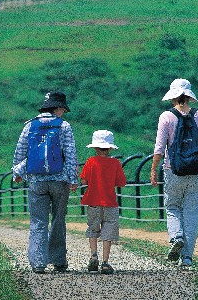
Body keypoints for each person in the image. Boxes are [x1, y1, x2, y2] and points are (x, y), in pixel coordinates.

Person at [150, 78, 198, 267]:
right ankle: (187, 258)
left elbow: (159, 148)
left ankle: (176, 237)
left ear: (173, 97)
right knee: (192, 214)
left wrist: (153, 169)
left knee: (172, 208)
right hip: (197, 170)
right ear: (188, 97)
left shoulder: (166, 117)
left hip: (173, 171)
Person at [12, 92, 79, 274]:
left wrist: (17, 173)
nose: (63, 113)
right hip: (59, 180)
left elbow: (20, 152)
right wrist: (73, 179)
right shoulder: (64, 126)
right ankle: (58, 261)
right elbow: (70, 155)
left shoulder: (29, 126)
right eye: (63, 109)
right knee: (58, 220)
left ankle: (39, 263)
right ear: (57, 108)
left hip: (36, 181)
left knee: (38, 221)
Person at [80, 130, 127, 274]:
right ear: (110, 148)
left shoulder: (90, 162)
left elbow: (83, 180)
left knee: (93, 229)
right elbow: (121, 182)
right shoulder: (115, 163)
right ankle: (105, 263)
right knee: (108, 232)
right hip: (110, 202)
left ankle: (93, 256)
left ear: (95, 147)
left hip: (93, 201)